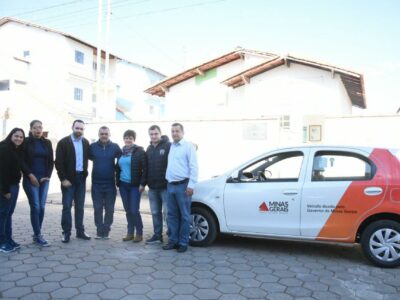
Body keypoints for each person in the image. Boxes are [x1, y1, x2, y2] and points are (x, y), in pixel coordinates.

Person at [163, 123, 198, 253]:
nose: (174, 133)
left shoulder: (188, 146)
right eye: (172, 131)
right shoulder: (171, 146)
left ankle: (183, 242)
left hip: (183, 186)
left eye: (177, 131)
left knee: (184, 215)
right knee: (171, 215)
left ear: (182, 132)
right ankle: (173, 241)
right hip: (170, 185)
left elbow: (194, 167)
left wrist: (191, 185)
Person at [55, 120, 90, 243]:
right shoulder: (64, 142)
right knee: (67, 207)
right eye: (77, 128)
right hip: (68, 180)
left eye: (81, 129)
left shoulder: (86, 142)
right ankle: (66, 233)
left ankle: (80, 232)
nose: (79, 131)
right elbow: (58, 162)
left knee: (80, 207)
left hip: (81, 179)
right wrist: (63, 179)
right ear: (72, 127)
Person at [22, 120, 54, 247]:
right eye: (35, 128)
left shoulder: (47, 142)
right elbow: (22, 161)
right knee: (35, 206)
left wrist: (47, 176)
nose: (38, 130)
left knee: (41, 207)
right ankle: (38, 234)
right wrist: (30, 175)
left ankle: (37, 234)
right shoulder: (25, 142)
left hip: (44, 179)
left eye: (40, 127)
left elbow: (51, 161)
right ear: (30, 129)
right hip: (30, 179)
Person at [89, 126, 121, 239]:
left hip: (110, 184)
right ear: (98, 134)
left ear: (109, 134)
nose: (104, 135)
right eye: (102, 133)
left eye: (106, 134)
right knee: (97, 208)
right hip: (96, 184)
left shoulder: (115, 147)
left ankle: (106, 230)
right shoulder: (92, 147)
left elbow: (121, 161)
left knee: (110, 209)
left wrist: (116, 171)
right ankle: (99, 230)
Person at [0, 128, 28, 253]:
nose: (19, 139)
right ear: (11, 135)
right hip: (7, 186)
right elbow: (3, 171)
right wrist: (5, 190)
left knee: (8, 214)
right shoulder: (4, 148)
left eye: (21, 137)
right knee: (3, 214)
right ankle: (2, 242)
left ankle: (8, 239)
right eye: (16, 136)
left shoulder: (15, 150)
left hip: (14, 185)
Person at [116, 130, 147, 243]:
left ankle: (139, 233)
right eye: (126, 137)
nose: (128, 140)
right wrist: (117, 182)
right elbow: (118, 168)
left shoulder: (139, 151)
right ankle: (130, 232)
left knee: (134, 210)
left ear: (134, 139)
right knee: (128, 210)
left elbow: (145, 169)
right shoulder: (121, 152)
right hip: (123, 185)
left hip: (135, 186)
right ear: (123, 139)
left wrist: (142, 183)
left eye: (130, 138)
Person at [145, 125, 171, 244]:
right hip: (152, 188)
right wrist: (143, 183)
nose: (154, 136)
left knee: (168, 213)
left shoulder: (168, 146)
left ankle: (172, 235)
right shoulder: (149, 149)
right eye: (151, 134)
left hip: (165, 187)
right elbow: (146, 168)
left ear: (160, 134)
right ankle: (157, 236)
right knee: (155, 213)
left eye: (156, 134)